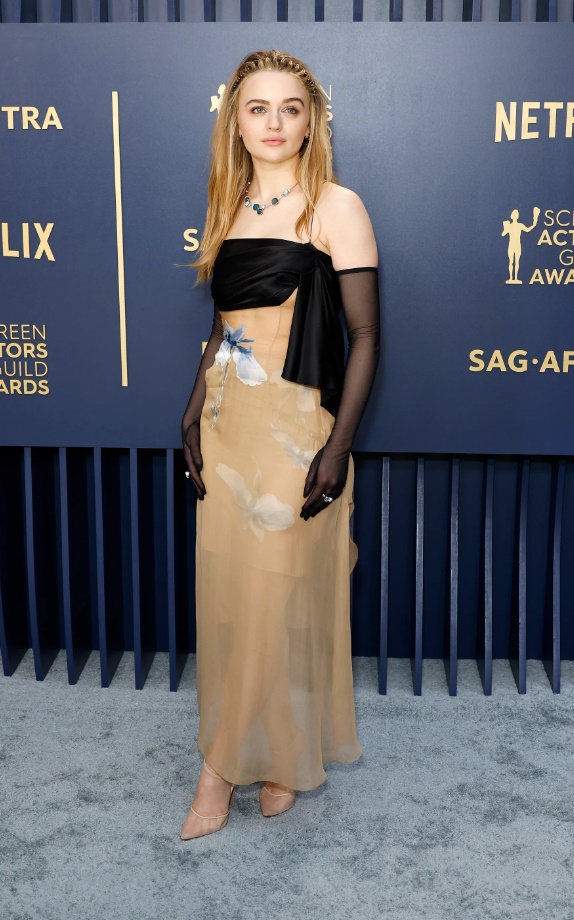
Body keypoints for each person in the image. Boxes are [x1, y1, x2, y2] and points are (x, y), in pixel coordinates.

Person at [179, 50, 380, 841]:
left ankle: (221, 768)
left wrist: (338, 448)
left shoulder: (337, 206)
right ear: (235, 121)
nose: (273, 122)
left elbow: (365, 335)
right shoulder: (226, 206)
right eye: (257, 107)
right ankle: (272, 751)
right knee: (234, 600)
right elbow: (222, 329)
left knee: (278, 597)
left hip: (297, 433)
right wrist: (192, 410)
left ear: (310, 121)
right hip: (229, 429)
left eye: (289, 108)